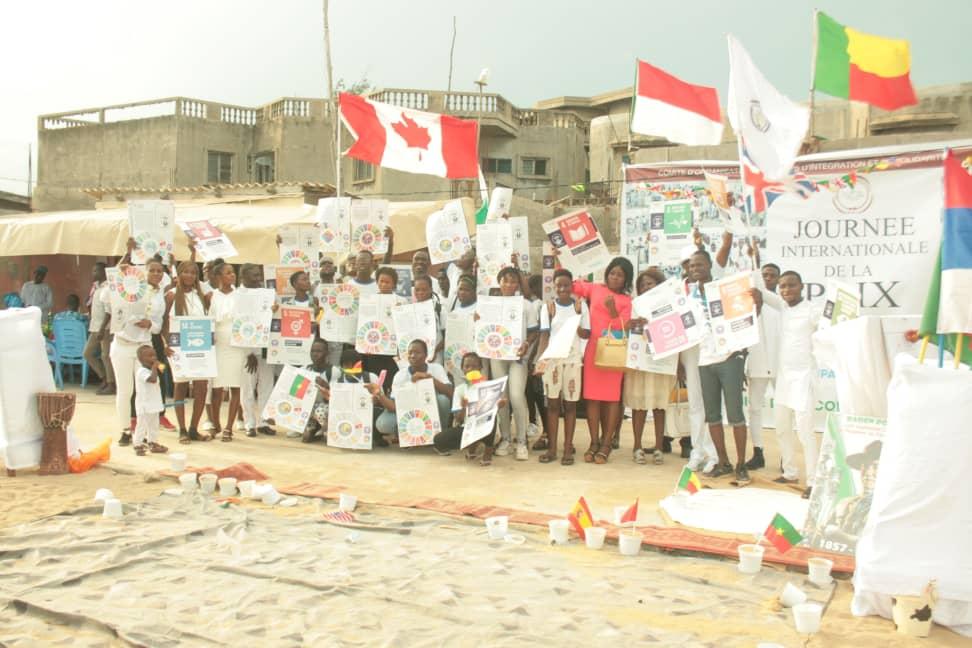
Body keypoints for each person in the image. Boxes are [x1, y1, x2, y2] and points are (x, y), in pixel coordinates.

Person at [751, 270, 822, 498]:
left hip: (804, 378)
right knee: (782, 428)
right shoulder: (782, 307)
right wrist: (753, 258)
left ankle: (814, 481)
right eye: (782, 286)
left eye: (791, 285)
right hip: (784, 378)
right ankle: (790, 472)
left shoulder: (813, 311)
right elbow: (760, 290)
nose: (786, 290)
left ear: (802, 286)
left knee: (805, 432)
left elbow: (830, 327)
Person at [689, 250, 751, 483]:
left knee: (736, 415)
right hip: (705, 360)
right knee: (712, 415)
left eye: (700, 265)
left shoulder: (725, 290)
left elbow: (743, 317)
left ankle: (741, 464)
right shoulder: (689, 295)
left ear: (709, 266)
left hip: (729, 357)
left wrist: (740, 354)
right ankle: (723, 462)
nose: (695, 269)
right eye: (692, 266)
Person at [570, 256, 634, 464]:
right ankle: (594, 441)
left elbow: (623, 327)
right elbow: (574, 286)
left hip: (614, 350)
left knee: (612, 399)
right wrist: (563, 261)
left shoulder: (627, 301)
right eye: (612, 273)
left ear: (626, 280)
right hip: (593, 350)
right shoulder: (596, 289)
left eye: (620, 275)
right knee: (592, 398)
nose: (615, 278)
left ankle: (607, 443)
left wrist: (613, 309)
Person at [110, 247, 166, 447]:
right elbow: (114, 285)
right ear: (144, 271)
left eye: (160, 271)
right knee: (125, 390)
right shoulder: (131, 287)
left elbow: (159, 325)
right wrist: (125, 255)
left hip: (144, 346)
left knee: (146, 390)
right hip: (123, 344)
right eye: (152, 270)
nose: (156, 274)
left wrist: (150, 324)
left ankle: (145, 435)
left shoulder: (161, 295)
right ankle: (125, 430)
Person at [533, 268, 590, 465]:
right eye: (559, 286)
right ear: (554, 287)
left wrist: (577, 321)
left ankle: (568, 449)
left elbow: (586, 334)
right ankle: (552, 449)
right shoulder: (548, 307)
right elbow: (544, 335)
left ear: (572, 286)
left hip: (573, 360)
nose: (563, 289)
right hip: (553, 362)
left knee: (571, 405)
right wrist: (540, 361)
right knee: (553, 405)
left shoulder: (580, 306)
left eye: (566, 285)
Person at [485, 266, 539, 460]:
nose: (509, 284)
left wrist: (527, 344)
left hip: (517, 357)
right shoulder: (491, 304)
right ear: (499, 282)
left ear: (518, 283)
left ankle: (522, 440)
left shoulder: (526, 305)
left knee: (516, 396)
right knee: (502, 398)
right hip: (497, 356)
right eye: (505, 280)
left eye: (513, 281)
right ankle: (506, 438)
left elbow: (534, 331)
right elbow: (483, 329)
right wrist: (478, 319)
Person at [625, 268, 674, 466]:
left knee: (659, 405)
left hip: (660, 362)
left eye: (650, 283)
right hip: (640, 362)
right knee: (639, 406)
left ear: (659, 284)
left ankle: (659, 447)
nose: (646, 287)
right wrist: (633, 324)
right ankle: (637, 446)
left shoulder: (668, 305)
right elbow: (627, 328)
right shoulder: (635, 305)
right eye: (643, 284)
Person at [164, 260, 213, 443]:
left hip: (200, 348)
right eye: (186, 272)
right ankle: (182, 429)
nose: (190, 276)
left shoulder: (201, 296)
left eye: (193, 273)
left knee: (201, 387)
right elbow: (163, 323)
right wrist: (165, 343)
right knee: (180, 385)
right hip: (178, 347)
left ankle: (194, 428)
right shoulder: (170, 295)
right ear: (179, 274)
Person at [371, 339, 453, 446]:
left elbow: (450, 392)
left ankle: (439, 437)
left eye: (417, 352)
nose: (413, 356)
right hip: (409, 411)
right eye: (410, 353)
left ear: (426, 355)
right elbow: (393, 407)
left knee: (443, 400)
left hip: (430, 410)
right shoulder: (400, 375)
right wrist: (379, 394)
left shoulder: (436, 368)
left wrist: (429, 378)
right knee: (383, 424)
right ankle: (409, 436)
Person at [432, 352, 506, 466]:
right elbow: (459, 420)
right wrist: (463, 407)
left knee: (492, 416)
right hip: (467, 429)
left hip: (486, 429)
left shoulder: (488, 386)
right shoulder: (460, 390)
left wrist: (499, 405)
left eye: (475, 366)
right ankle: (473, 446)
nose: (470, 369)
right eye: (467, 366)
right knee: (438, 440)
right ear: (462, 369)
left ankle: (488, 451)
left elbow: (493, 409)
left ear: (481, 368)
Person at [743, 263, 782, 470]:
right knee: (754, 409)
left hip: (779, 365)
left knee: (785, 410)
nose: (768, 278)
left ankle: (786, 456)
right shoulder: (750, 304)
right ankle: (758, 452)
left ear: (778, 279)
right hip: (757, 363)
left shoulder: (782, 304)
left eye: (772, 275)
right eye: (764, 275)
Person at [236, 264, 277, 438]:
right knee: (247, 387)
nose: (258, 279)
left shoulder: (267, 293)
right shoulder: (238, 295)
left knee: (267, 385)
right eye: (253, 276)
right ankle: (249, 423)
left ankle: (263, 422)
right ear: (243, 277)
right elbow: (239, 324)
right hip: (248, 350)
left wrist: (273, 311)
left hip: (267, 347)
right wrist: (249, 351)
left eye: (259, 275)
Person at [208, 262, 246, 442]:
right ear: (218, 277)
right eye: (228, 273)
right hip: (217, 344)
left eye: (233, 273)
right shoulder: (211, 296)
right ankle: (216, 424)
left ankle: (229, 427)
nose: (232, 276)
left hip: (237, 345)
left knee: (235, 386)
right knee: (216, 388)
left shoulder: (241, 295)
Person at [83, 262, 115, 395]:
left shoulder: (108, 287)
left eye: (96, 271)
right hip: (95, 326)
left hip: (105, 327)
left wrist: (103, 329)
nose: (93, 273)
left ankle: (111, 384)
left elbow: (109, 311)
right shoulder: (95, 287)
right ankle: (104, 378)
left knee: (106, 355)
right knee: (87, 353)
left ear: (104, 272)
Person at [132, 344, 168, 456]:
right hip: (144, 405)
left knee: (154, 425)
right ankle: (137, 444)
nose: (154, 358)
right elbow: (152, 380)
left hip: (154, 404)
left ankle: (153, 442)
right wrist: (154, 367)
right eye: (150, 356)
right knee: (141, 425)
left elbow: (164, 369)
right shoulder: (141, 371)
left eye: (155, 355)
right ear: (141, 359)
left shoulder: (153, 369)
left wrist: (158, 365)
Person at [524, 274, 547, 446]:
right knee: (529, 392)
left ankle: (544, 429)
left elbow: (540, 332)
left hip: (537, 356)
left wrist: (533, 357)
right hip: (530, 355)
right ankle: (534, 422)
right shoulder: (533, 304)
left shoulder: (541, 305)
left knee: (539, 394)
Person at [412, 275, 445, 363]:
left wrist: (434, 351)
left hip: (434, 358)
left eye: (424, 289)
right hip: (415, 359)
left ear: (431, 289)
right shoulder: (410, 309)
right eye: (417, 289)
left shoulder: (440, 309)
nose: (420, 292)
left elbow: (447, 337)